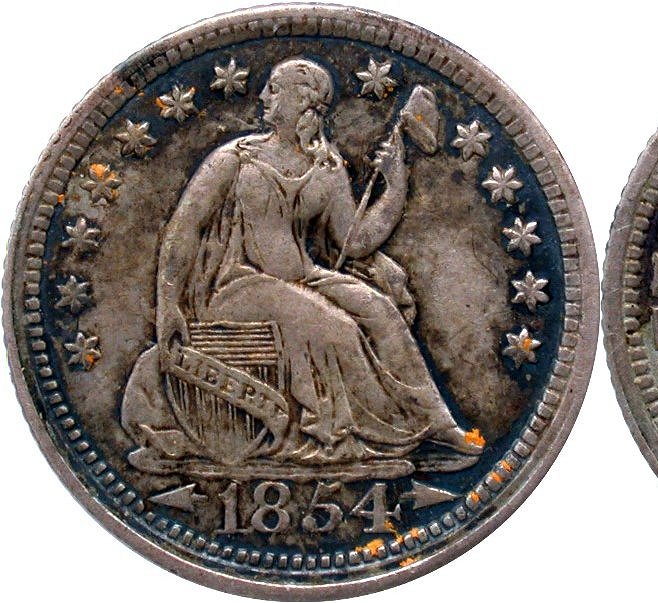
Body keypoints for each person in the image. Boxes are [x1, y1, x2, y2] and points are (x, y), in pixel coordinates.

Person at [122, 57, 481, 464]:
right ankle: (352, 432)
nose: (263, 96)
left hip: (302, 278)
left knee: (379, 309)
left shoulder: (326, 167)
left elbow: (355, 242)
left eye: (275, 89)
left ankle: (435, 424)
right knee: (333, 325)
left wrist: (395, 184)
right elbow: (183, 229)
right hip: (232, 286)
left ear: (304, 101)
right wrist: (168, 305)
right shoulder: (234, 160)